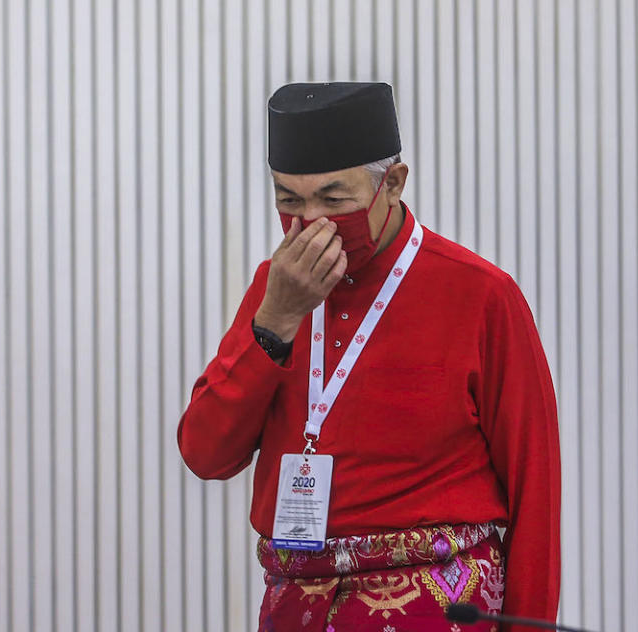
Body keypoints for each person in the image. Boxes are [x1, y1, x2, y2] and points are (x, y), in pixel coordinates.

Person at [178, 82, 561, 632]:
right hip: (296, 602)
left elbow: (535, 486)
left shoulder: (479, 294)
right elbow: (205, 453)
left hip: (437, 603)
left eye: (334, 200)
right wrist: (276, 321)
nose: (311, 222)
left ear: (393, 184)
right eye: (289, 200)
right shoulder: (275, 289)